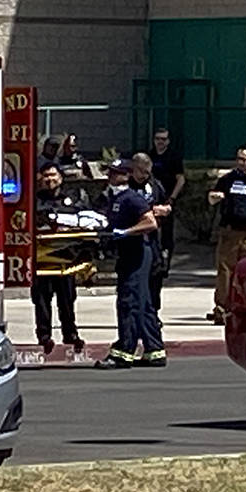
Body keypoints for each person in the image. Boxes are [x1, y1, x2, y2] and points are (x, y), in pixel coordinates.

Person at [96, 159, 166, 370]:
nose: (110, 177)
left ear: (125, 176)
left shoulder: (131, 199)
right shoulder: (114, 198)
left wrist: (125, 232)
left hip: (137, 253)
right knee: (143, 302)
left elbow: (150, 222)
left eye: (115, 173)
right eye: (109, 173)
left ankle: (124, 352)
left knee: (129, 301)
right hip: (128, 254)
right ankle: (154, 350)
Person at [207, 145, 246, 324]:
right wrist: (215, 197)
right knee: (226, 270)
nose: (240, 162)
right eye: (238, 159)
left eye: (244, 159)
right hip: (230, 230)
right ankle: (222, 309)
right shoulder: (228, 179)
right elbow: (212, 198)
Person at [31, 163, 89, 355]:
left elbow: (83, 220)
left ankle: (71, 335)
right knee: (41, 300)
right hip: (42, 262)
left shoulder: (72, 200)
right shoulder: (34, 202)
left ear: (61, 178)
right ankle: (44, 337)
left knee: (67, 300)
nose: (50, 179)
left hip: (66, 260)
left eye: (53, 175)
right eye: (45, 176)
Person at [130, 152, 172, 313]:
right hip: (133, 238)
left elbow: (166, 204)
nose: (145, 175)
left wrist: (164, 210)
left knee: (155, 275)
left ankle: (153, 312)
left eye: (148, 172)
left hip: (153, 238)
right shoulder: (127, 186)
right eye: (141, 171)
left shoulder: (154, 185)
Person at [150, 128, 185, 276]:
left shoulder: (173, 157)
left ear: (168, 141)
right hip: (151, 200)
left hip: (167, 200)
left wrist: (172, 198)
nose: (160, 142)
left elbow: (181, 179)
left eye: (163, 139)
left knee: (167, 234)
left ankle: (165, 263)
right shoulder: (149, 156)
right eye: (158, 138)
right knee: (150, 230)